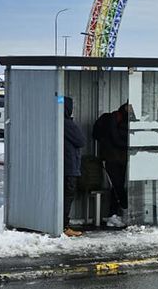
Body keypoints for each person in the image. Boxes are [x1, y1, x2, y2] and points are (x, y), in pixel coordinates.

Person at [93, 102, 131, 227]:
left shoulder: (121, 119)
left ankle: (114, 215)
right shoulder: (114, 119)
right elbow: (116, 139)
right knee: (117, 186)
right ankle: (119, 213)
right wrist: (129, 143)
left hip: (119, 159)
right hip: (112, 159)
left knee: (116, 187)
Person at [63, 97, 86, 237]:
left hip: (61, 166)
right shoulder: (67, 124)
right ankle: (64, 226)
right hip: (69, 165)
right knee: (67, 196)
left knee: (64, 196)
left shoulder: (54, 120)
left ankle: (61, 224)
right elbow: (81, 140)